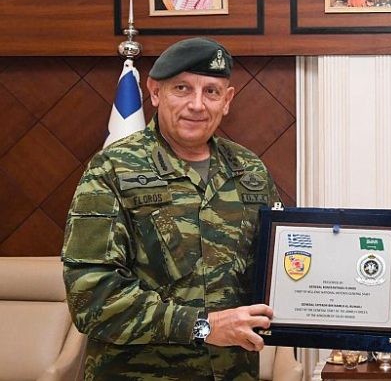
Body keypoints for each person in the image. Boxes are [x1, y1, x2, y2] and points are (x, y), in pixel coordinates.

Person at [61, 37, 281, 380]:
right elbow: (91, 297)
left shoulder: (250, 171)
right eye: (182, 88)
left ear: (227, 100)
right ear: (154, 92)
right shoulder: (113, 169)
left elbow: (278, 269)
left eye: (211, 91)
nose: (197, 104)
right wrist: (202, 327)